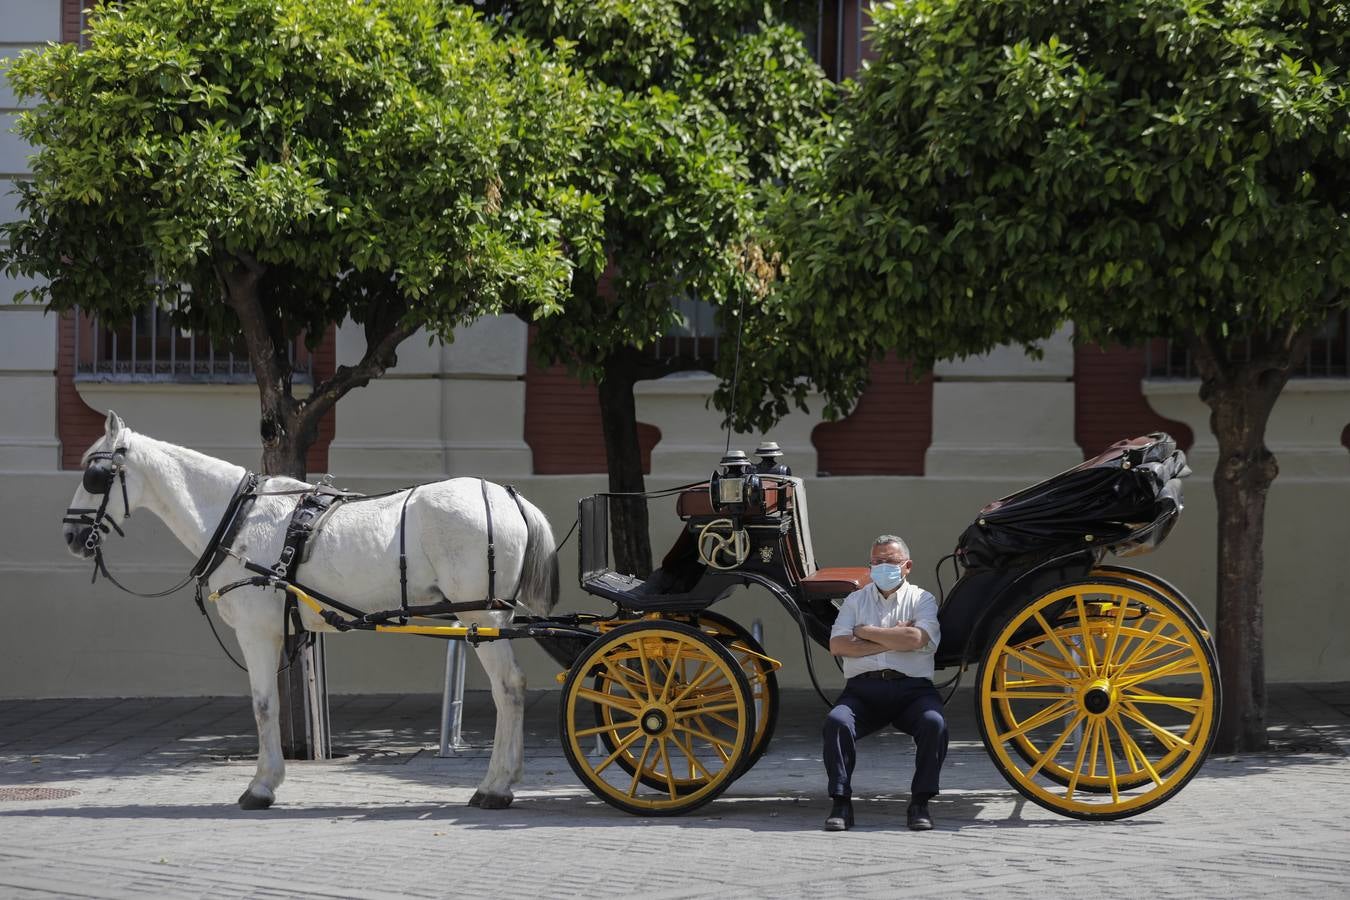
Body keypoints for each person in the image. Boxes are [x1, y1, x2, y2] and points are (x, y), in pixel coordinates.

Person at [822, 535, 948, 832]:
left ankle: (920, 803)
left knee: (935, 724)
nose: (882, 567)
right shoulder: (855, 600)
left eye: (890, 562)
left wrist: (865, 632)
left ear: (907, 566)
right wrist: (893, 640)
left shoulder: (922, 599)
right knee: (836, 722)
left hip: (913, 691)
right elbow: (838, 645)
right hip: (863, 691)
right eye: (876, 562)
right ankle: (840, 802)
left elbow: (916, 639)